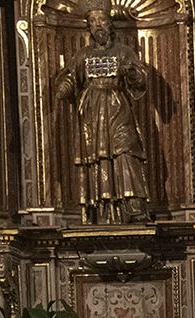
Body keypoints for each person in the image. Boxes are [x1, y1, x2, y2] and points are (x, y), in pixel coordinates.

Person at [53, 0, 149, 224]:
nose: (98, 25)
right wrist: (64, 87)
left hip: (118, 107)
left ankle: (132, 205)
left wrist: (131, 73)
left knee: (125, 151)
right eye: (93, 21)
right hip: (91, 112)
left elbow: (140, 79)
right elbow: (71, 77)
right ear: (88, 26)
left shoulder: (124, 52)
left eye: (102, 20)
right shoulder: (83, 54)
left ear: (110, 23)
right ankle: (100, 210)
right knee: (96, 157)